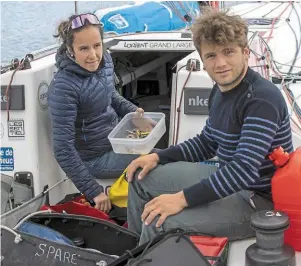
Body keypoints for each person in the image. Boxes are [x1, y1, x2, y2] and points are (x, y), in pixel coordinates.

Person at [126, 8, 294, 245]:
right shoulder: (220, 90)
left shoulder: (261, 99)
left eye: (228, 52)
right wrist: (158, 156)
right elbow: (208, 142)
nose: (221, 63)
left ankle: (145, 256)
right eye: (211, 55)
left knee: (160, 222)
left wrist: (181, 199)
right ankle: (133, 250)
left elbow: (243, 170)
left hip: (259, 201)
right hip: (226, 177)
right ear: (203, 60)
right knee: (139, 178)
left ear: (245, 53)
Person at [48, 13, 143, 213]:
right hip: (93, 159)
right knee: (156, 161)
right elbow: (63, 150)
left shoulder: (105, 61)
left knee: (163, 153)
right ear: (70, 50)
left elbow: (111, 96)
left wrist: (133, 112)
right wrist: (93, 191)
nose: (93, 55)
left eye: (97, 45)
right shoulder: (63, 87)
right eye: (84, 48)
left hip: (115, 140)